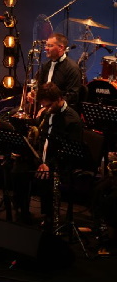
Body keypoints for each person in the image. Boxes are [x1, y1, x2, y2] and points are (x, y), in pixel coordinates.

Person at [13, 82, 84, 227]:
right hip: (43, 158)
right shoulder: (48, 112)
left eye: (49, 105)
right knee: (19, 168)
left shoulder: (72, 119)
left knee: (46, 177)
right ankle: (22, 211)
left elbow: (70, 151)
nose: (46, 109)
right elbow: (38, 127)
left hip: (60, 161)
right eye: (44, 106)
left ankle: (49, 217)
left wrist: (48, 164)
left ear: (59, 99)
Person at [25, 33, 83, 110]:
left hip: (60, 109)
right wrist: (34, 95)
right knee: (13, 114)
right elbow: (40, 88)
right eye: (46, 45)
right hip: (43, 105)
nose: (46, 48)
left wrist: (49, 108)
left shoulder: (72, 68)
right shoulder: (45, 65)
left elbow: (72, 96)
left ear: (61, 48)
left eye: (50, 46)